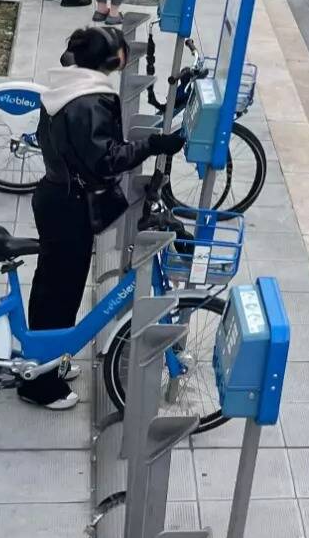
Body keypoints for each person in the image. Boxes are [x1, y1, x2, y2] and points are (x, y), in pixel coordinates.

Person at [18, 27, 186, 406]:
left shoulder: (67, 85)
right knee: (59, 292)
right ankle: (38, 385)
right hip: (70, 205)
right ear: (112, 60)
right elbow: (104, 159)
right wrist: (151, 145)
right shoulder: (90, 100)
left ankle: (46, 361)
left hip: (55, 196)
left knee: (53, 287)